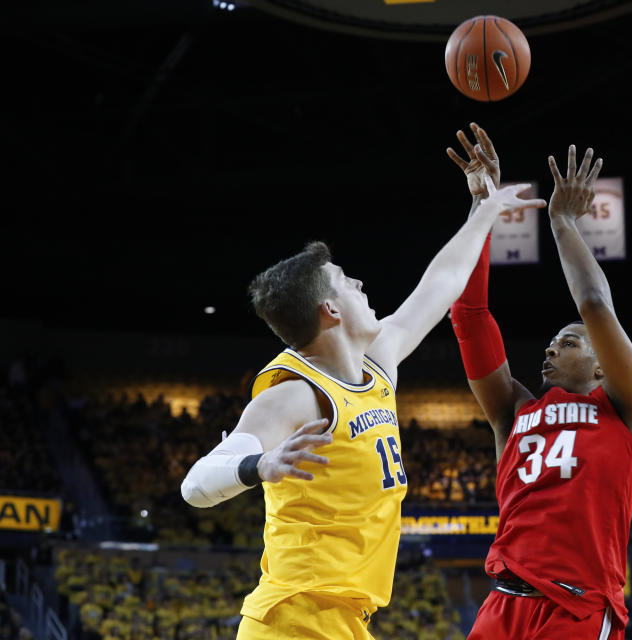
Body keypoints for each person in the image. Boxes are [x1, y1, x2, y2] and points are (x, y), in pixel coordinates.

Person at [179, 124, 545, 640]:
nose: (360, 285)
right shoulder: (295, 395)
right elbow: (194, 485)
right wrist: (260, 463)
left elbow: (441, 283)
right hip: (293, 621)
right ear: (330, 309)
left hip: (345, 621)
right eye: (347, 281)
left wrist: (482, 208)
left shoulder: (378, 362)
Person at [446, 134, 632, 639]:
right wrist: (482, 208)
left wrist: (562, 223)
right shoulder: (513, 410)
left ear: (603, 365)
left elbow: (594, 306)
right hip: (502, 605)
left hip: (577, 608)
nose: (550, 349)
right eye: (550, 342)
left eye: (567, 343)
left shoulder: (628, 407)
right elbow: (468, 316)